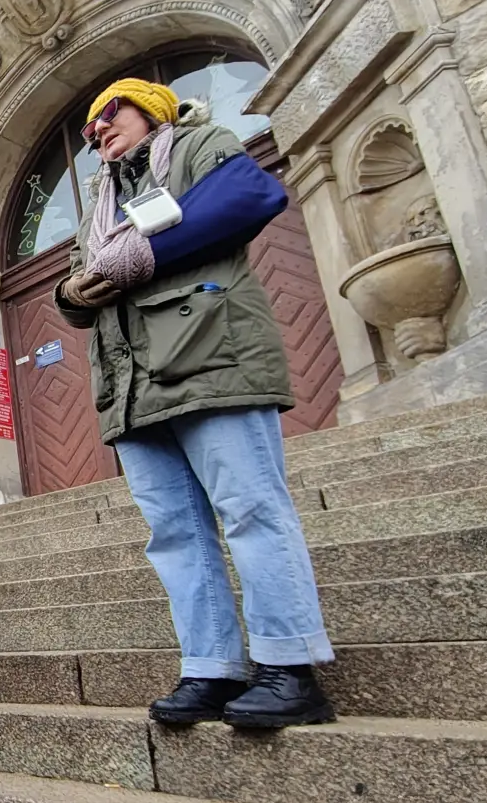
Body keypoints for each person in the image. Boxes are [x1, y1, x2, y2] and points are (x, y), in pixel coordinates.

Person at [54, 79, 336, 728]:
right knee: (175, 533)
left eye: (110, 112)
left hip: (212, 356)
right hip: (131, 386)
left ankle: (289, 666)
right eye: (90, 130)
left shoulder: (199, 143)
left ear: (151, 108)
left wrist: (136, 255)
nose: (98, 130)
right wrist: (72, 294)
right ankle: (211, 667)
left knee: (251, 510)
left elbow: (249, 196)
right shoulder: (100, 203)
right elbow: (74, 287)